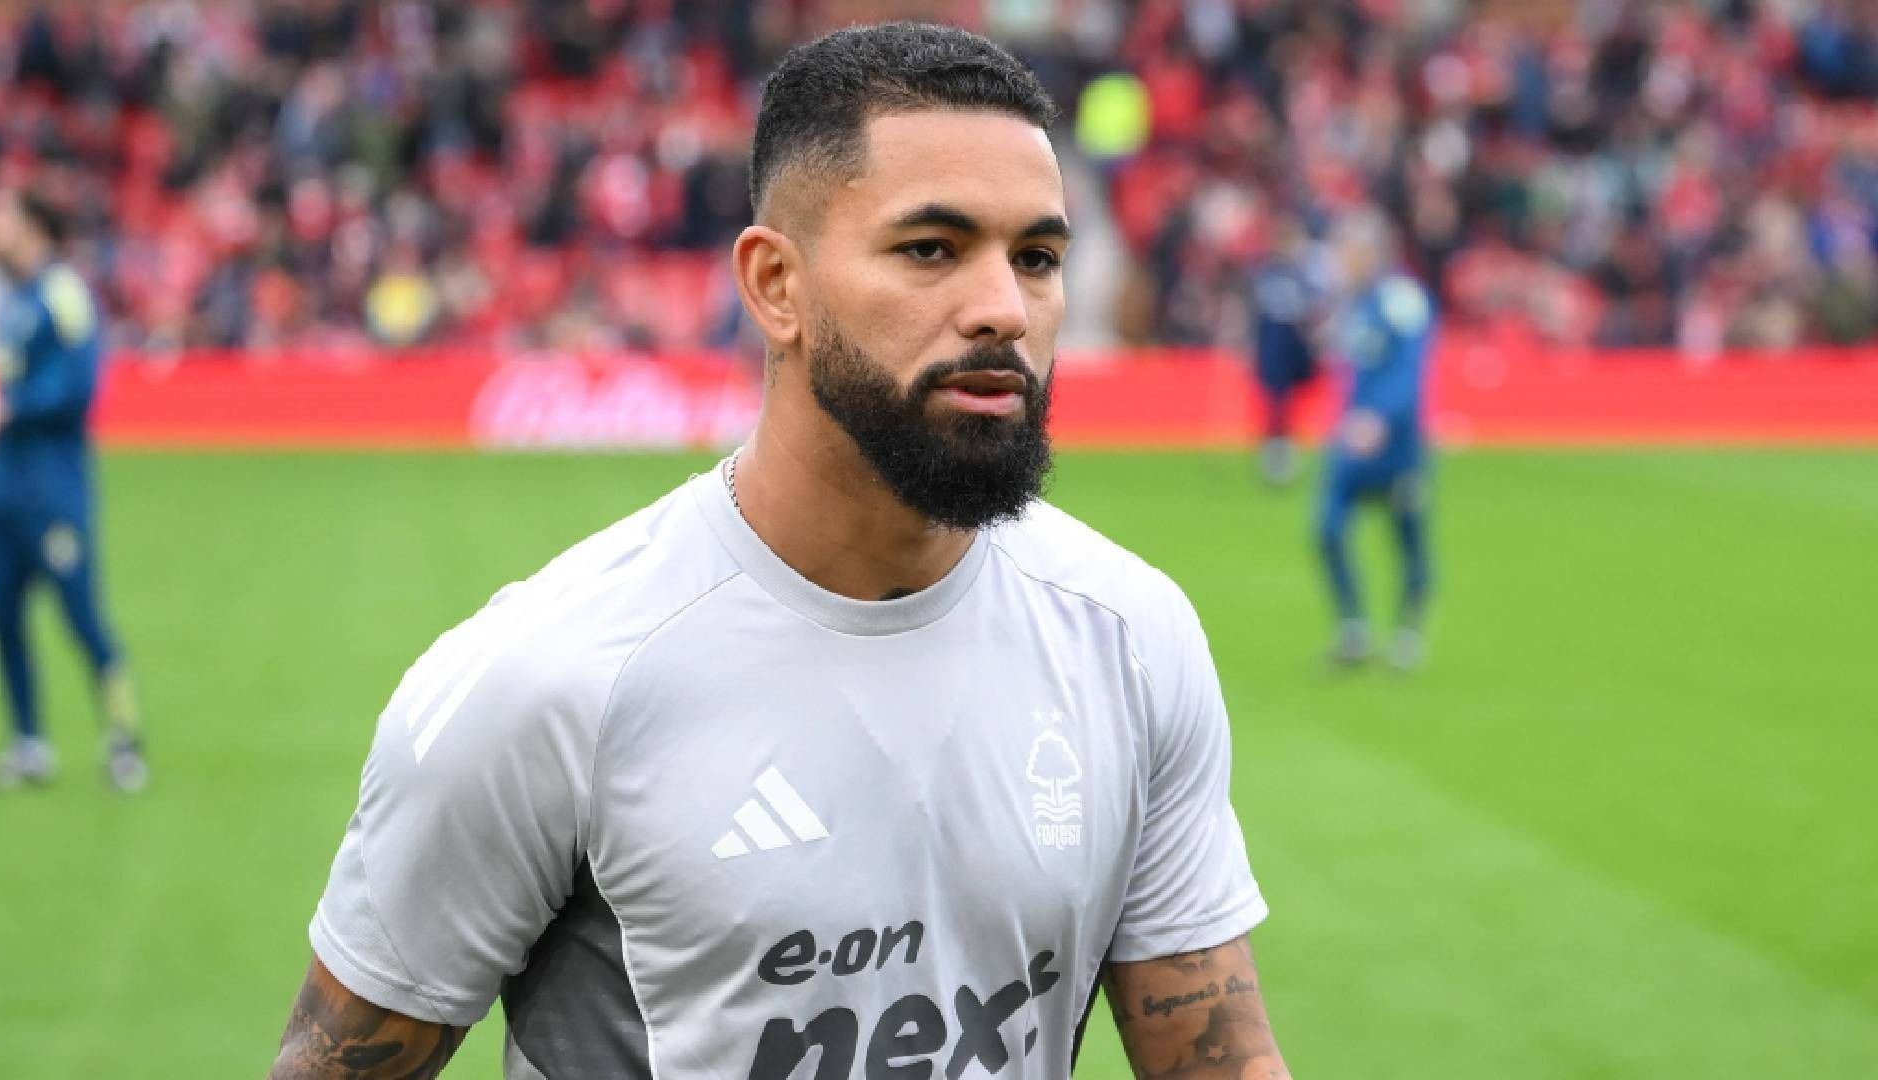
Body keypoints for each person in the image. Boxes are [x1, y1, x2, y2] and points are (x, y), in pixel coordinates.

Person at [270, 23, 1292, 1080]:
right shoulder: (547, 681)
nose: (1003, 309)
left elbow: (1216, 1061)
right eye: (931, 249)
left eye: (1036, 258)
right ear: (774, 286)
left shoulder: (1129, 637)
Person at [0, 188, 145, 791]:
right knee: (3, 618)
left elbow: (80, 384)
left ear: (33, 226)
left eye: (2, 215)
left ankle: (124, 738)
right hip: (2, 487)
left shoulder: (63, 294)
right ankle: (29, 744)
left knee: (81, 617)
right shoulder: (12, 299)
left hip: (52, 489)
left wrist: (15, 407)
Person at [1315, 207, 1435, 670]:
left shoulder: (1403, 300)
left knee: (1408, 536)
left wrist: (1381, 417)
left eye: (1349, 251)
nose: (1342, 260)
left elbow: (1409, 370)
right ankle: (1354, 628)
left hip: (1397, 446)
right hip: (1352, 441)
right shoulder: (1353, 303)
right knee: (1328, 529)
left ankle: (1408, 630)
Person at [1250, 219, 1322, 486]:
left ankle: (1283, 451)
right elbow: (1256, 313)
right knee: (1276, 404)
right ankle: (1276, 457)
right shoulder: (1266, 274)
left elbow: (1312, 310)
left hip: (1294, 345)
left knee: (1289, 403)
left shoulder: (1302, 275)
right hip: (1273, 346)